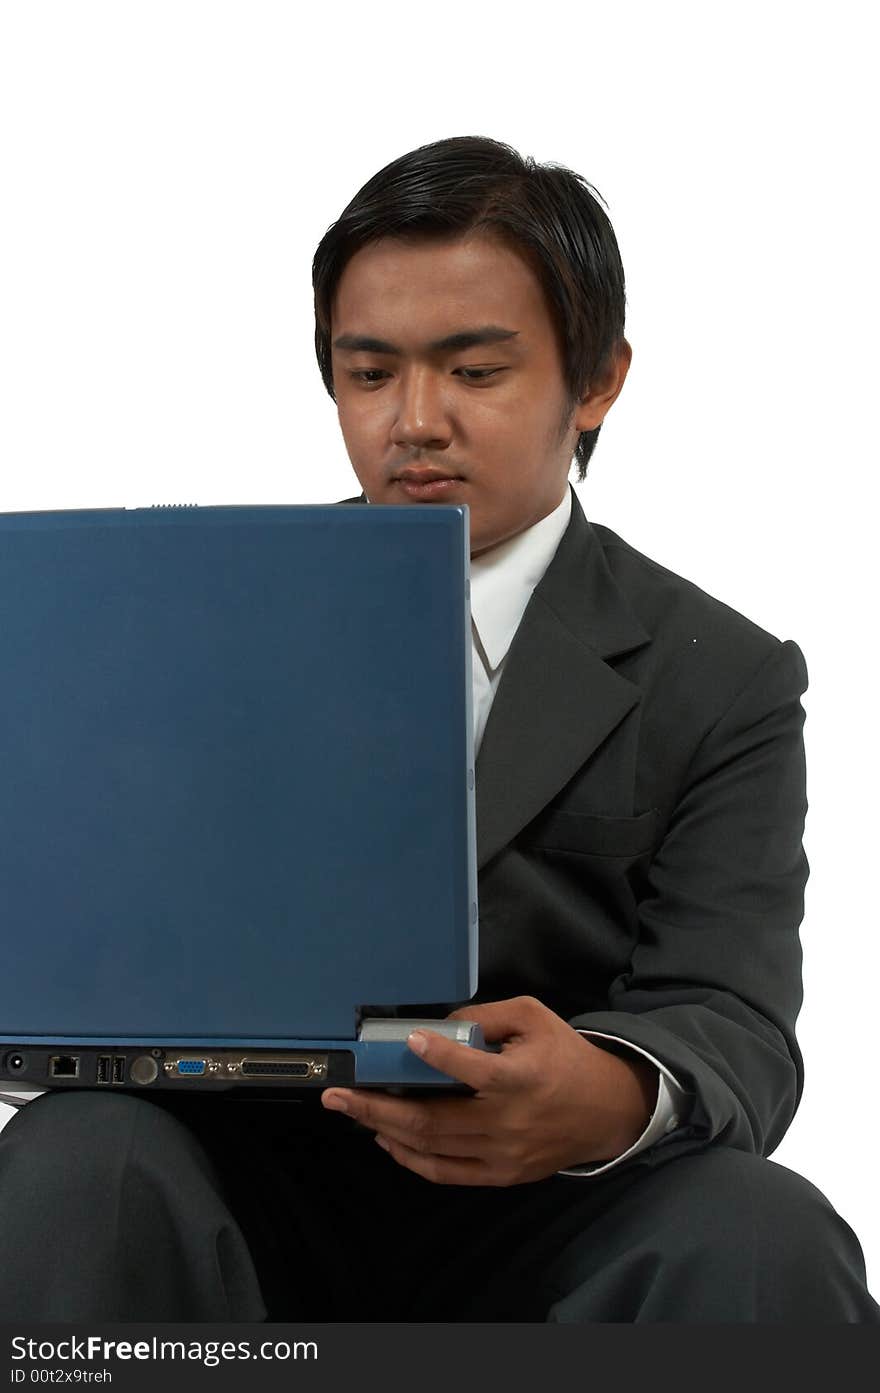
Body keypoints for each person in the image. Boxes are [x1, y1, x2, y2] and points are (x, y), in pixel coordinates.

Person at [0, 134, 877, 1322]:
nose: (414, 420)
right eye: (370, 376)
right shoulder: (186, 623)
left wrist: (610, 1090)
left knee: (767, 1233)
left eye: (472, 372)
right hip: (233, 1181)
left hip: (558, 1211)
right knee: (72, 1161)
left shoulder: (722, 675)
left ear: (598, 379)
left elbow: (731, 1014)